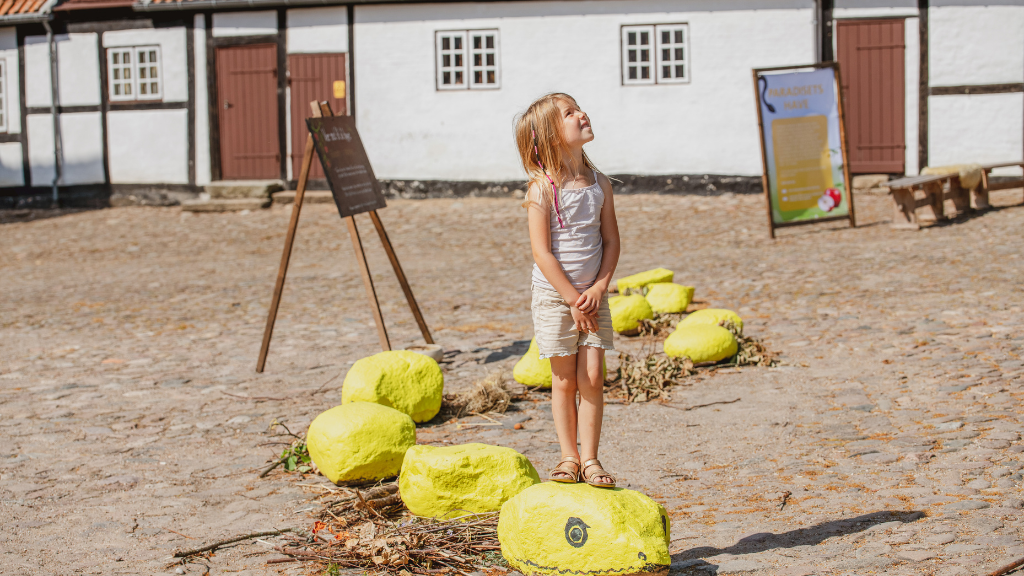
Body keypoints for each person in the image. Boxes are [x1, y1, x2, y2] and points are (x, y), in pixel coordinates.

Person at [514, 93, 620, 488]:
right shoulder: (541, 189)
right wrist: (572, 299)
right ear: (549, 136)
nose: (582, 114)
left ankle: (591, 458)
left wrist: (599, 288)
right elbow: (542, 253)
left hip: (593, 296)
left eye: (580, 108)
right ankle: (568, 456)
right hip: (555, 298)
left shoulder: (600, 184)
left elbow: (611, 242)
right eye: (570, 113)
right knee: (565, 379)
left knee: (593, 374)